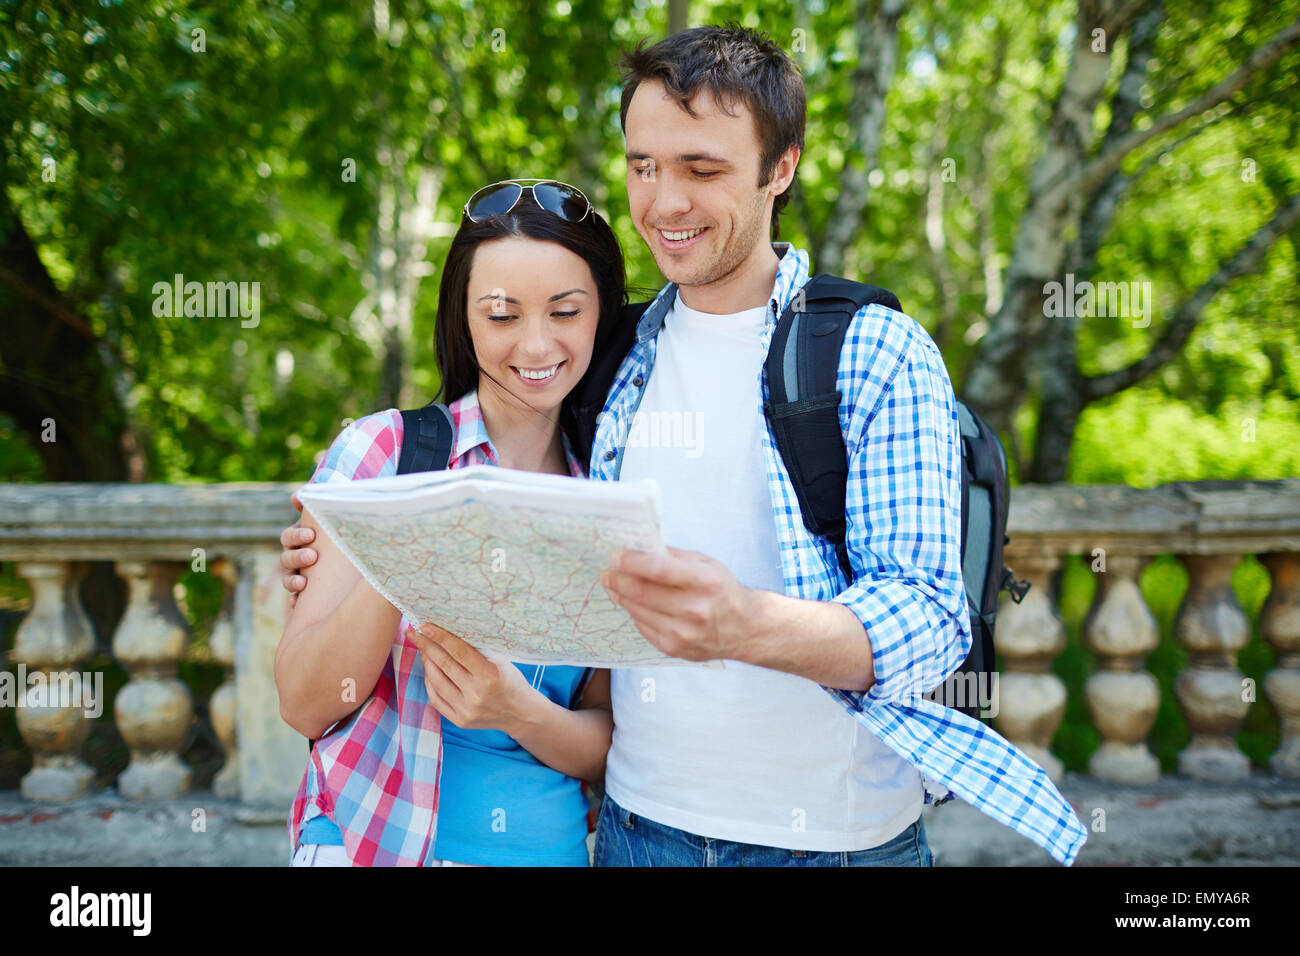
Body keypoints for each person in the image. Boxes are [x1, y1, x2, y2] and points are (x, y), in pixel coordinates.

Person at [282, 26, 1089, 867]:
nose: (664, 202)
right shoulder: (614, 360)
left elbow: (931, 618)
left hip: (830, 845)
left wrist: (745, 625)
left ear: (781, 168)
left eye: (702, 169)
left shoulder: (871, 351)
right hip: (635, 832)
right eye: (642, 166)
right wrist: (354, 542)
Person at [275, 180, 626, 866]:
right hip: (375, 843)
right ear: (462, 318)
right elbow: (307, 703)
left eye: (564, 312)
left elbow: (613, 744)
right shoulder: (384, 454)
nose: (535, 343)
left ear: (600, 316)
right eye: (501, 315)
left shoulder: (607, 495)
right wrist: (415, 535)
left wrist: (512, 709)